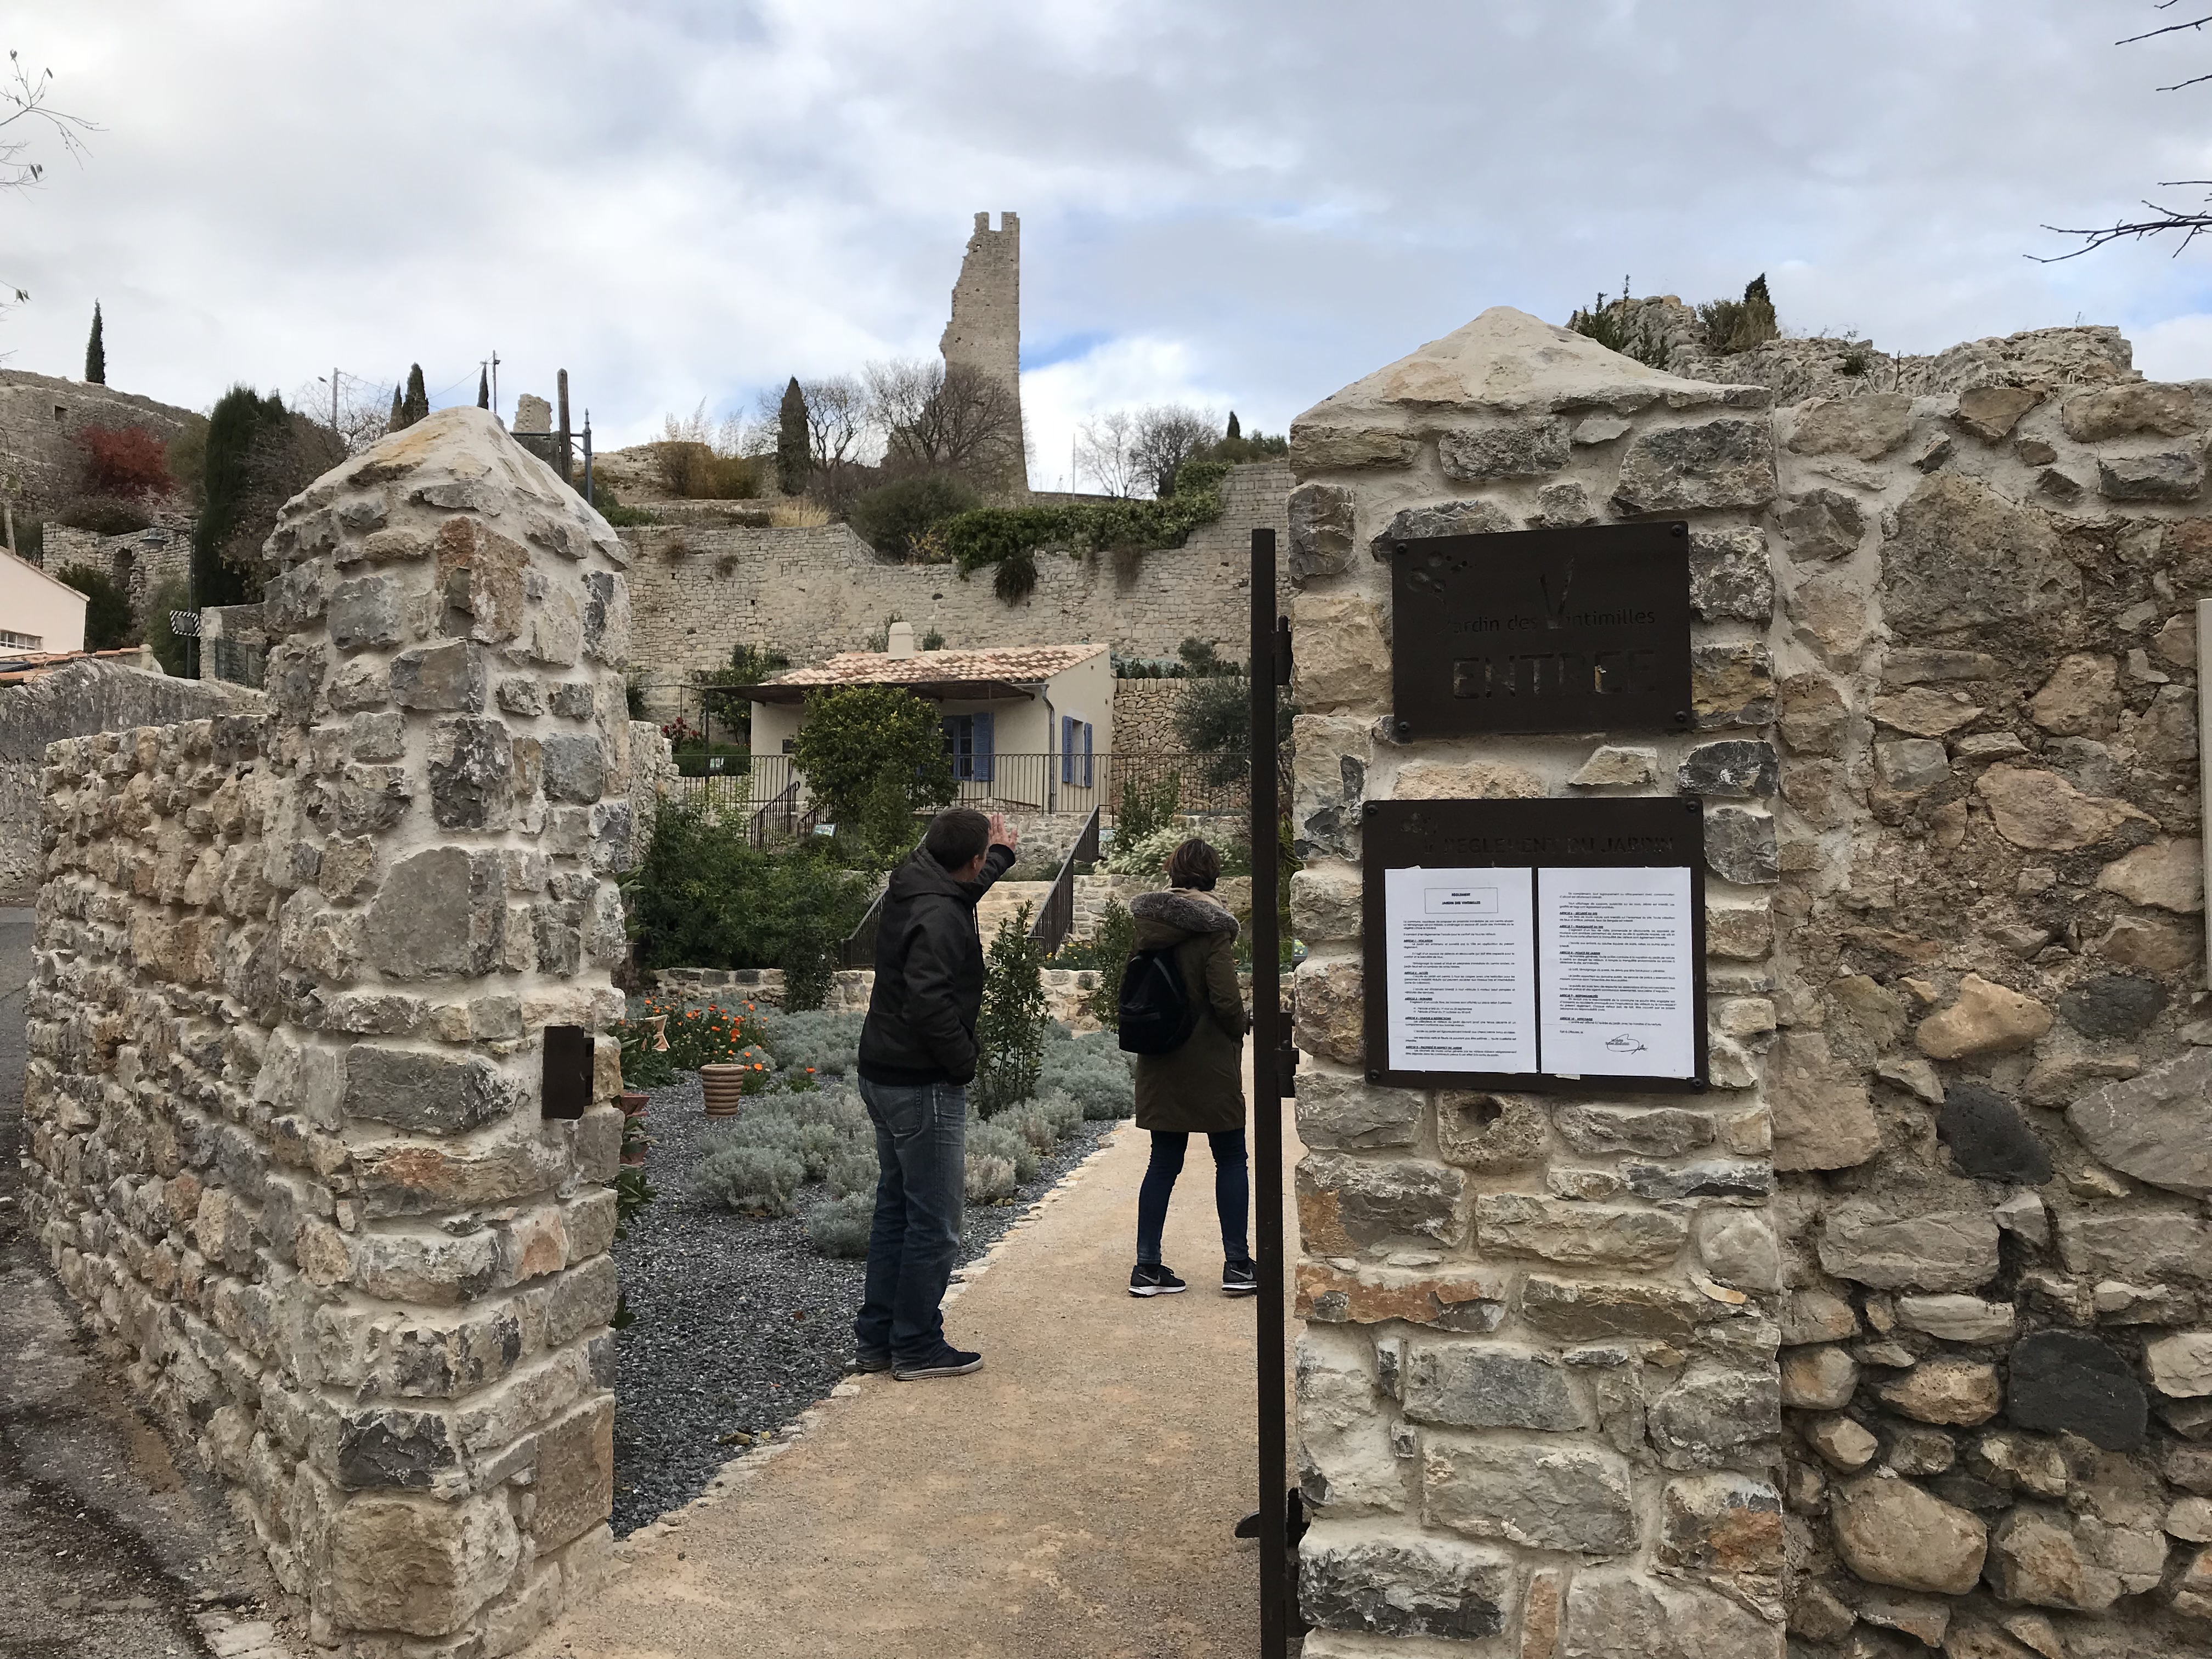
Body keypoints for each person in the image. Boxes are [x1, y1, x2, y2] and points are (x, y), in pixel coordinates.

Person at [851, 806, 1017, 1379]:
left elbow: (956, 896)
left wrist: (997, 857)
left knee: (897, 1211)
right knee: (936, 1224)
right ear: (966, 862)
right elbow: (929, 1003)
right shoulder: (942, 913)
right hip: (921, 1081)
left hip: (882, 1071)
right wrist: (963, 1063)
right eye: (980, 862)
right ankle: (917, 1345)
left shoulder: (915, 881)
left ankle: (879, 1341)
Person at [1126, 837, 1256, 1297]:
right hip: (1209, 1061)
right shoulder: (1213, 929)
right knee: (1231, 1157)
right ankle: (1238, 1265)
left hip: (1161, 1058)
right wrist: (1242, 1023)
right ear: (1212, 873)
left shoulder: (1149, 925)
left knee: (1162, 1161)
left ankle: (1147, 1266)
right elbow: (1224, 999)